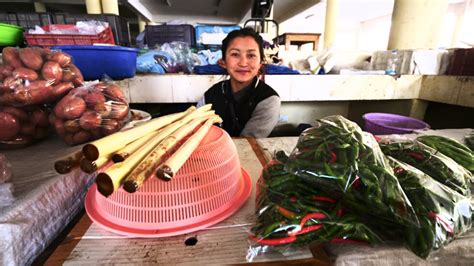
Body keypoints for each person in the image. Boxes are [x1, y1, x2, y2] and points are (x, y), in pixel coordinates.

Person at [197, 28, 281, 138]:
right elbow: (198, 134)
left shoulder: (269, 101)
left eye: (251, 55)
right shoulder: (210, 96)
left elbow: (247, 145)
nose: (243, 63)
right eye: (235, 54)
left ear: (261, 63)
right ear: (223, 62)